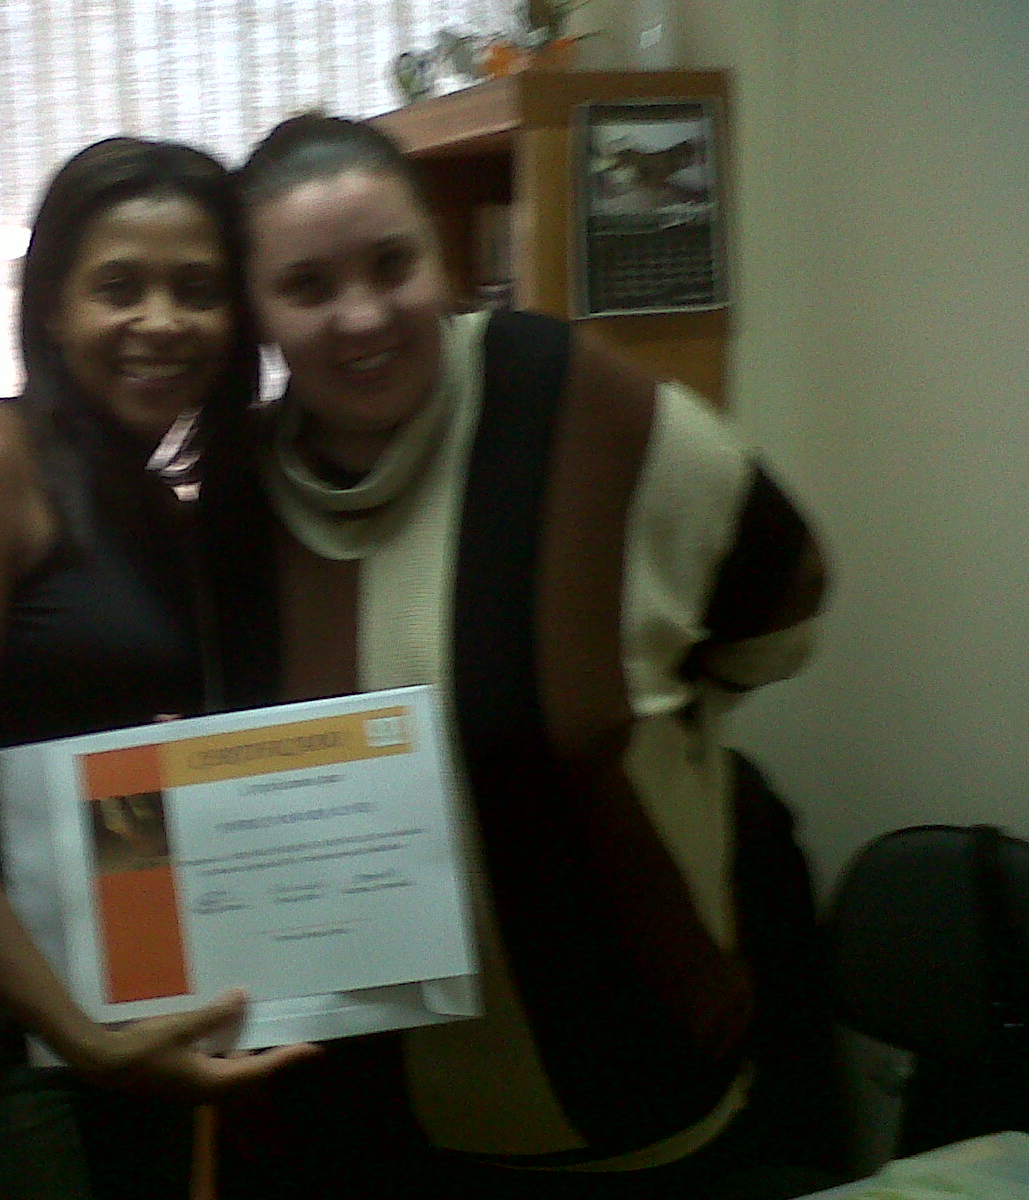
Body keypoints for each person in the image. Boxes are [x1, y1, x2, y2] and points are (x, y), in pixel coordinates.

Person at [219, 113, 831, 1199]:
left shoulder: (578, 406)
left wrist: (664, 712)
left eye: (392, 265)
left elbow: (780, 593)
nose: (361, 315)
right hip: (356, 1131)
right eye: (306, 287)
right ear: (257, 314)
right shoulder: (233, 500)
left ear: (443, 261)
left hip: (628, 1108)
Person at [0, 136, 313, 1200]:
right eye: (118, 288)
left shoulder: (156, 504)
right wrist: (78, 1034)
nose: (161, 321)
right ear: (51, 308)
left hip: (109, 1019)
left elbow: (122, 781)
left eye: (198, 291)